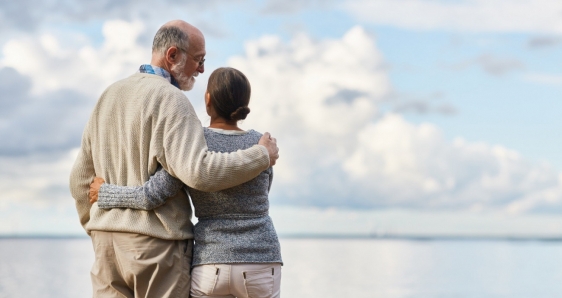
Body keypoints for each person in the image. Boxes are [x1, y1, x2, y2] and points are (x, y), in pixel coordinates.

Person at [69, 20, 279, 298]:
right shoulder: (172, 100)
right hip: (156, 248)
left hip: (106, 244)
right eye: (198, 59)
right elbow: (198, 172)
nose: (202, 69)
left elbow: (79, 181)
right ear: (172, 55)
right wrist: (262, 155)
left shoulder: (108, 96)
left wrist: (97, 227)